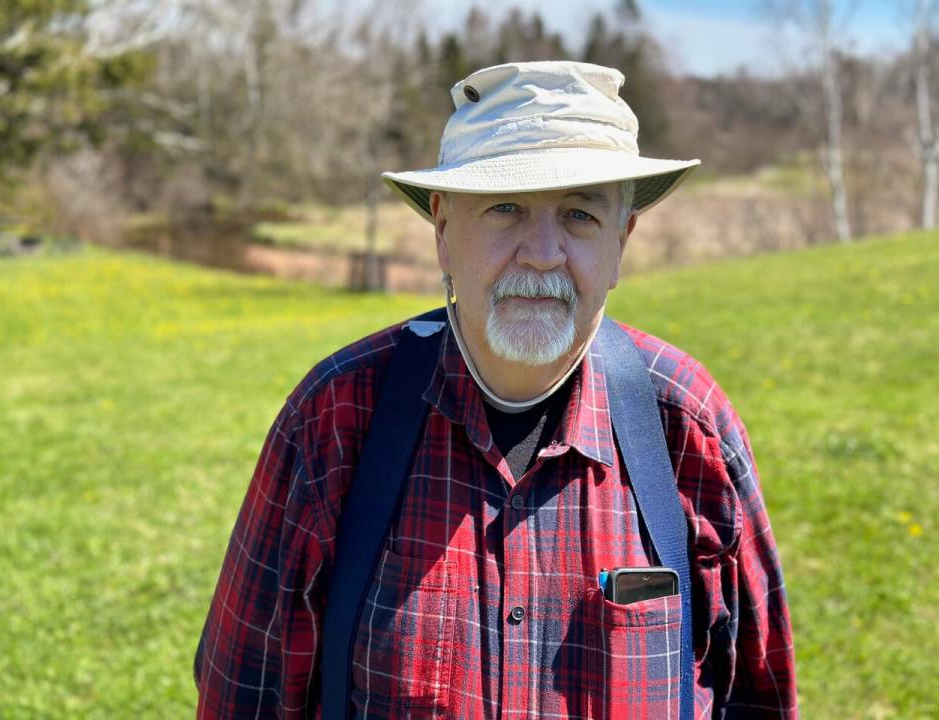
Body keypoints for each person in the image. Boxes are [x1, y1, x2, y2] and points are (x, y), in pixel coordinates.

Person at [194, 61, 797, 719]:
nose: (542, 252)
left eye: (580, 215)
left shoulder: (687, 424)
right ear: (444, 230)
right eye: (505, 208)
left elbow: (759, 699)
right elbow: (241, 697)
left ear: (621, 241)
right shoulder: (336, 418)